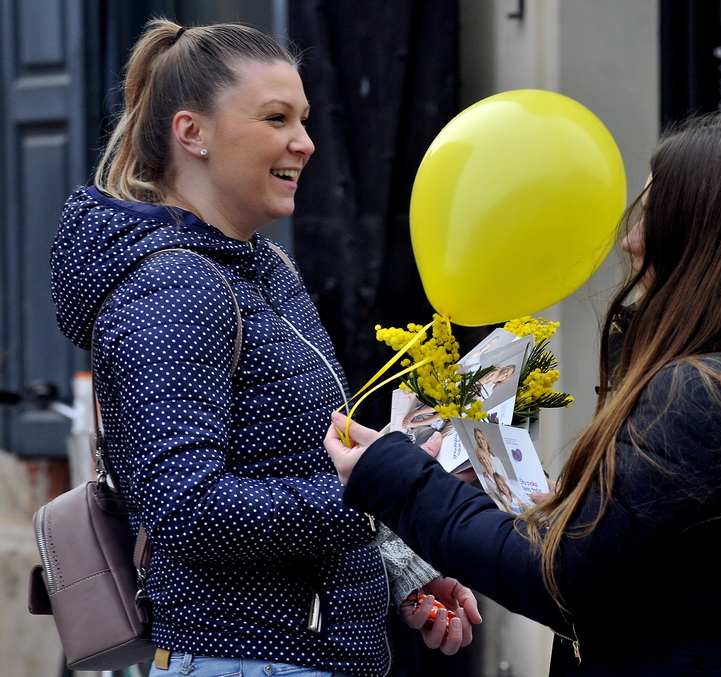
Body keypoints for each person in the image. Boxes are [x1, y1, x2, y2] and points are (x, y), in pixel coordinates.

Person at [325, 116, 721, 676]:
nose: (630, 242)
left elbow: (564, 583)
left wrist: (398, 476)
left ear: (705, 239)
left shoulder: (707, 393)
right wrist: (572, 510)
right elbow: (664, 563)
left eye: (654, 217)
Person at [48, 19, 479, 677]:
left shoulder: (266, 266)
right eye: (276, 118)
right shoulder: (170, 285)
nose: (304, 142)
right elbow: (188, 510)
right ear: (191, 133)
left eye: (303, 119)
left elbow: (299, 462)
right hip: (242, 660)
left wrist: (402, 570)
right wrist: (383, 490)